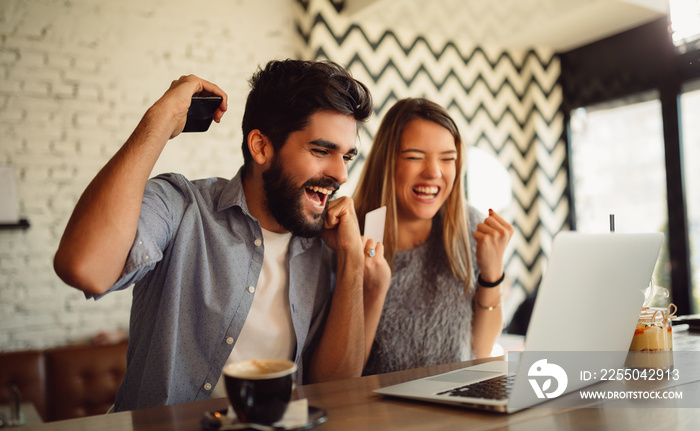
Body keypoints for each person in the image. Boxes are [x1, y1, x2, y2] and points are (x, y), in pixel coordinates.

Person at [53, 59, 373, 411]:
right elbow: (85, 267)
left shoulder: (326, 243)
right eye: (321, 151)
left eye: (347, 156)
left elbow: (337, 389)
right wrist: (158, 122)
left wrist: (352, 261)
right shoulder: (182, 206)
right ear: (261, 147)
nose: (341, 174)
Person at [353, 98, 513, 375]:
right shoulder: (352, 234)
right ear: (387, 161)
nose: (434, 173)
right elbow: (349, 371)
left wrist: (492, 272)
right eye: (415, 157)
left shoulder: (471, 225)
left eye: (448, 158)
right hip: (382, 411)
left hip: (458, 404)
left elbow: (480, 351)